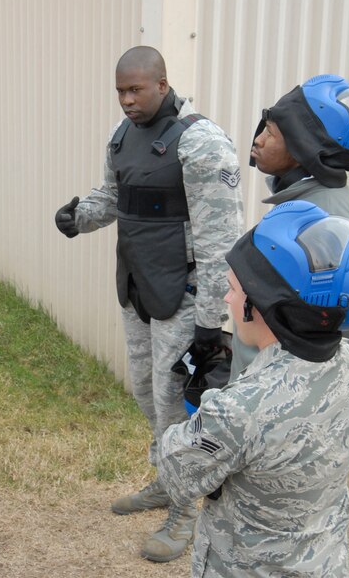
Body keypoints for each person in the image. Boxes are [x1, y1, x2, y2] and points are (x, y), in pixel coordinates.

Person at [54, 46, 243, 561]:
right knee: (145, 391)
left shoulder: (200, 142)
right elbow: (113, 198)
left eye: (135, 90)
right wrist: (79, 216)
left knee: (172, 402)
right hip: (138, 288)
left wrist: (211, 321)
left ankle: (184, 511)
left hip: (183, 297)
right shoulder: (121, 137)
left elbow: (220, 239)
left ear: (162, 83)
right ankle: (166, 480)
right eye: (120, 91)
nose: (126, 101)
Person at [157, 200, 349, 577]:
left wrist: (205, 411)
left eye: (234, 289)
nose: (227, 299)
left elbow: (175, 475)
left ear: (262, 304)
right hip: (323, 562)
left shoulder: (237, 410)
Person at [235, 73, 349, 417]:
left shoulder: (326, 211)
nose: (259, 139)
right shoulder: (305, 199)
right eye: (264, 126)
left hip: (295, 405)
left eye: (272, 133)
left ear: (301, 153)